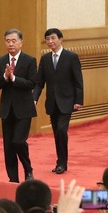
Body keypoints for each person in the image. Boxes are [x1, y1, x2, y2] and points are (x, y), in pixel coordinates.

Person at [33, 28, 83, 174]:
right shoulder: (45, 59)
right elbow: (39, 82)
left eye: (53, 38)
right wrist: (34, 98)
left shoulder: (71, 57)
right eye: (47, 39)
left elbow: (78, 80)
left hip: (68, 101)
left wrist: (79, 100)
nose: (50, 41)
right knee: (57, 132)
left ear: (61, 39)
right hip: (52, 102)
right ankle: (60, 161)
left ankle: (62, 162)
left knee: (61, 130)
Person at [0, 29, 37, 183]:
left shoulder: (29, 60)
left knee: (18, 141)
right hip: (7, 110)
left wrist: (13, 78)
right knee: (9, 147)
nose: (10, 44)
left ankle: (28, 169)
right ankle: (13, 179)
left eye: (13, 40)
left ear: (21, 42)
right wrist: (5, 77)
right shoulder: (0, 61)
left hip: (24, 109)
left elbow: (31, 83)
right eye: (7, 41)